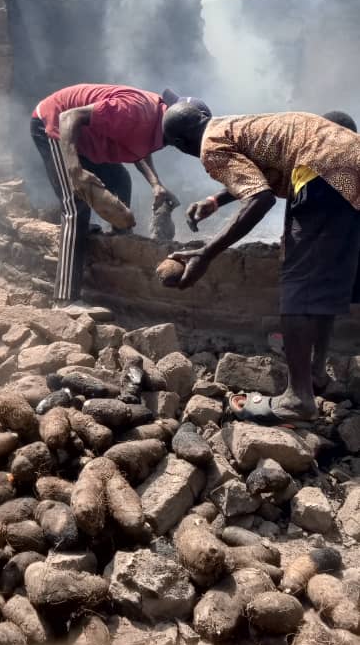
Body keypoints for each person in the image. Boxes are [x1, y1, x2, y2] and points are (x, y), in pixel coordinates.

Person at [163, 102, 360, 423]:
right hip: (350, 164)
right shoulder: (236, 126)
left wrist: (205, 254)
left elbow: (260, 198)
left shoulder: (209, 145)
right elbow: (264, 172)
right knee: (322, 279)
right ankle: (316, 374)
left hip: (321, 170)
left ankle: (298, 399)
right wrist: (216, 200)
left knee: (299, 283)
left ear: (182, 145)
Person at [30, 84, 210, 310]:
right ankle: (65, 300)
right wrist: (75, 170)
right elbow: (69, 116)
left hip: (86, 139)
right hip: (54, 125)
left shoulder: (157, 122)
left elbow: (136, 145)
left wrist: (156, 185)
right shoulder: (133, 110)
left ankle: (117, 245)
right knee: (75, 208)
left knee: (120, 181)